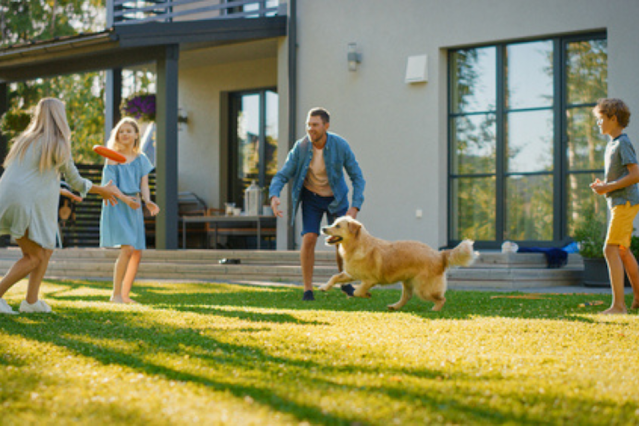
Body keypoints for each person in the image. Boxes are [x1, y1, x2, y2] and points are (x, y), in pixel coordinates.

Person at [0, 97, 121, 315]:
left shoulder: (25, 141)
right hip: (24, 204)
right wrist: (103, 190)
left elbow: (30, 178)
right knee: (34, 256)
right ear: (60, 117)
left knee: (46, 250)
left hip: (7, 199)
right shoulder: (58, 143)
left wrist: (59, 189)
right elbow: (76, 181)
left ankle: (31, 301)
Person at [269, 107, 365, 301]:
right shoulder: (301, 147)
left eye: (315, 125)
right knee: (309, 238)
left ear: (326, 126)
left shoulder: (340, 146)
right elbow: (283, 174)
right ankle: (307, 289)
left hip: (336, 198)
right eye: (308, 125)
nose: (310, 129)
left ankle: (345, 283)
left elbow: (357, 177)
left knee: (342, 242)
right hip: (312, 198)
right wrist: (274, 195)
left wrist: (354, 207)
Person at [100, 117, 159, 304]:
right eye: (121, 131)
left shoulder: (141, 158)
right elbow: (109, 186)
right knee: (127, 249)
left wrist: (147, 201)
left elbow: (144, 185)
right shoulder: (112, 156)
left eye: (128, 131)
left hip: (134, 205)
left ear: (135, 135)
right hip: (117, 203)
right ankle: (115, 295)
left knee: (136, 252)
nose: (124, 134)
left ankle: (125, 295)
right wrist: (126, 199)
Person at [590, 98, 639, 314]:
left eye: (600, 119)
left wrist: (609, 186)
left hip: (625, 202)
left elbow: (635, 174)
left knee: (609, 249)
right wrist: (606, 186)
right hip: (619, 202)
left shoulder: (622, 143)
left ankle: (619, 306)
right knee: (622, 251)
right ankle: (638, 297)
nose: (598, 124)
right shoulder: (612, 144)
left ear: (613, 118)